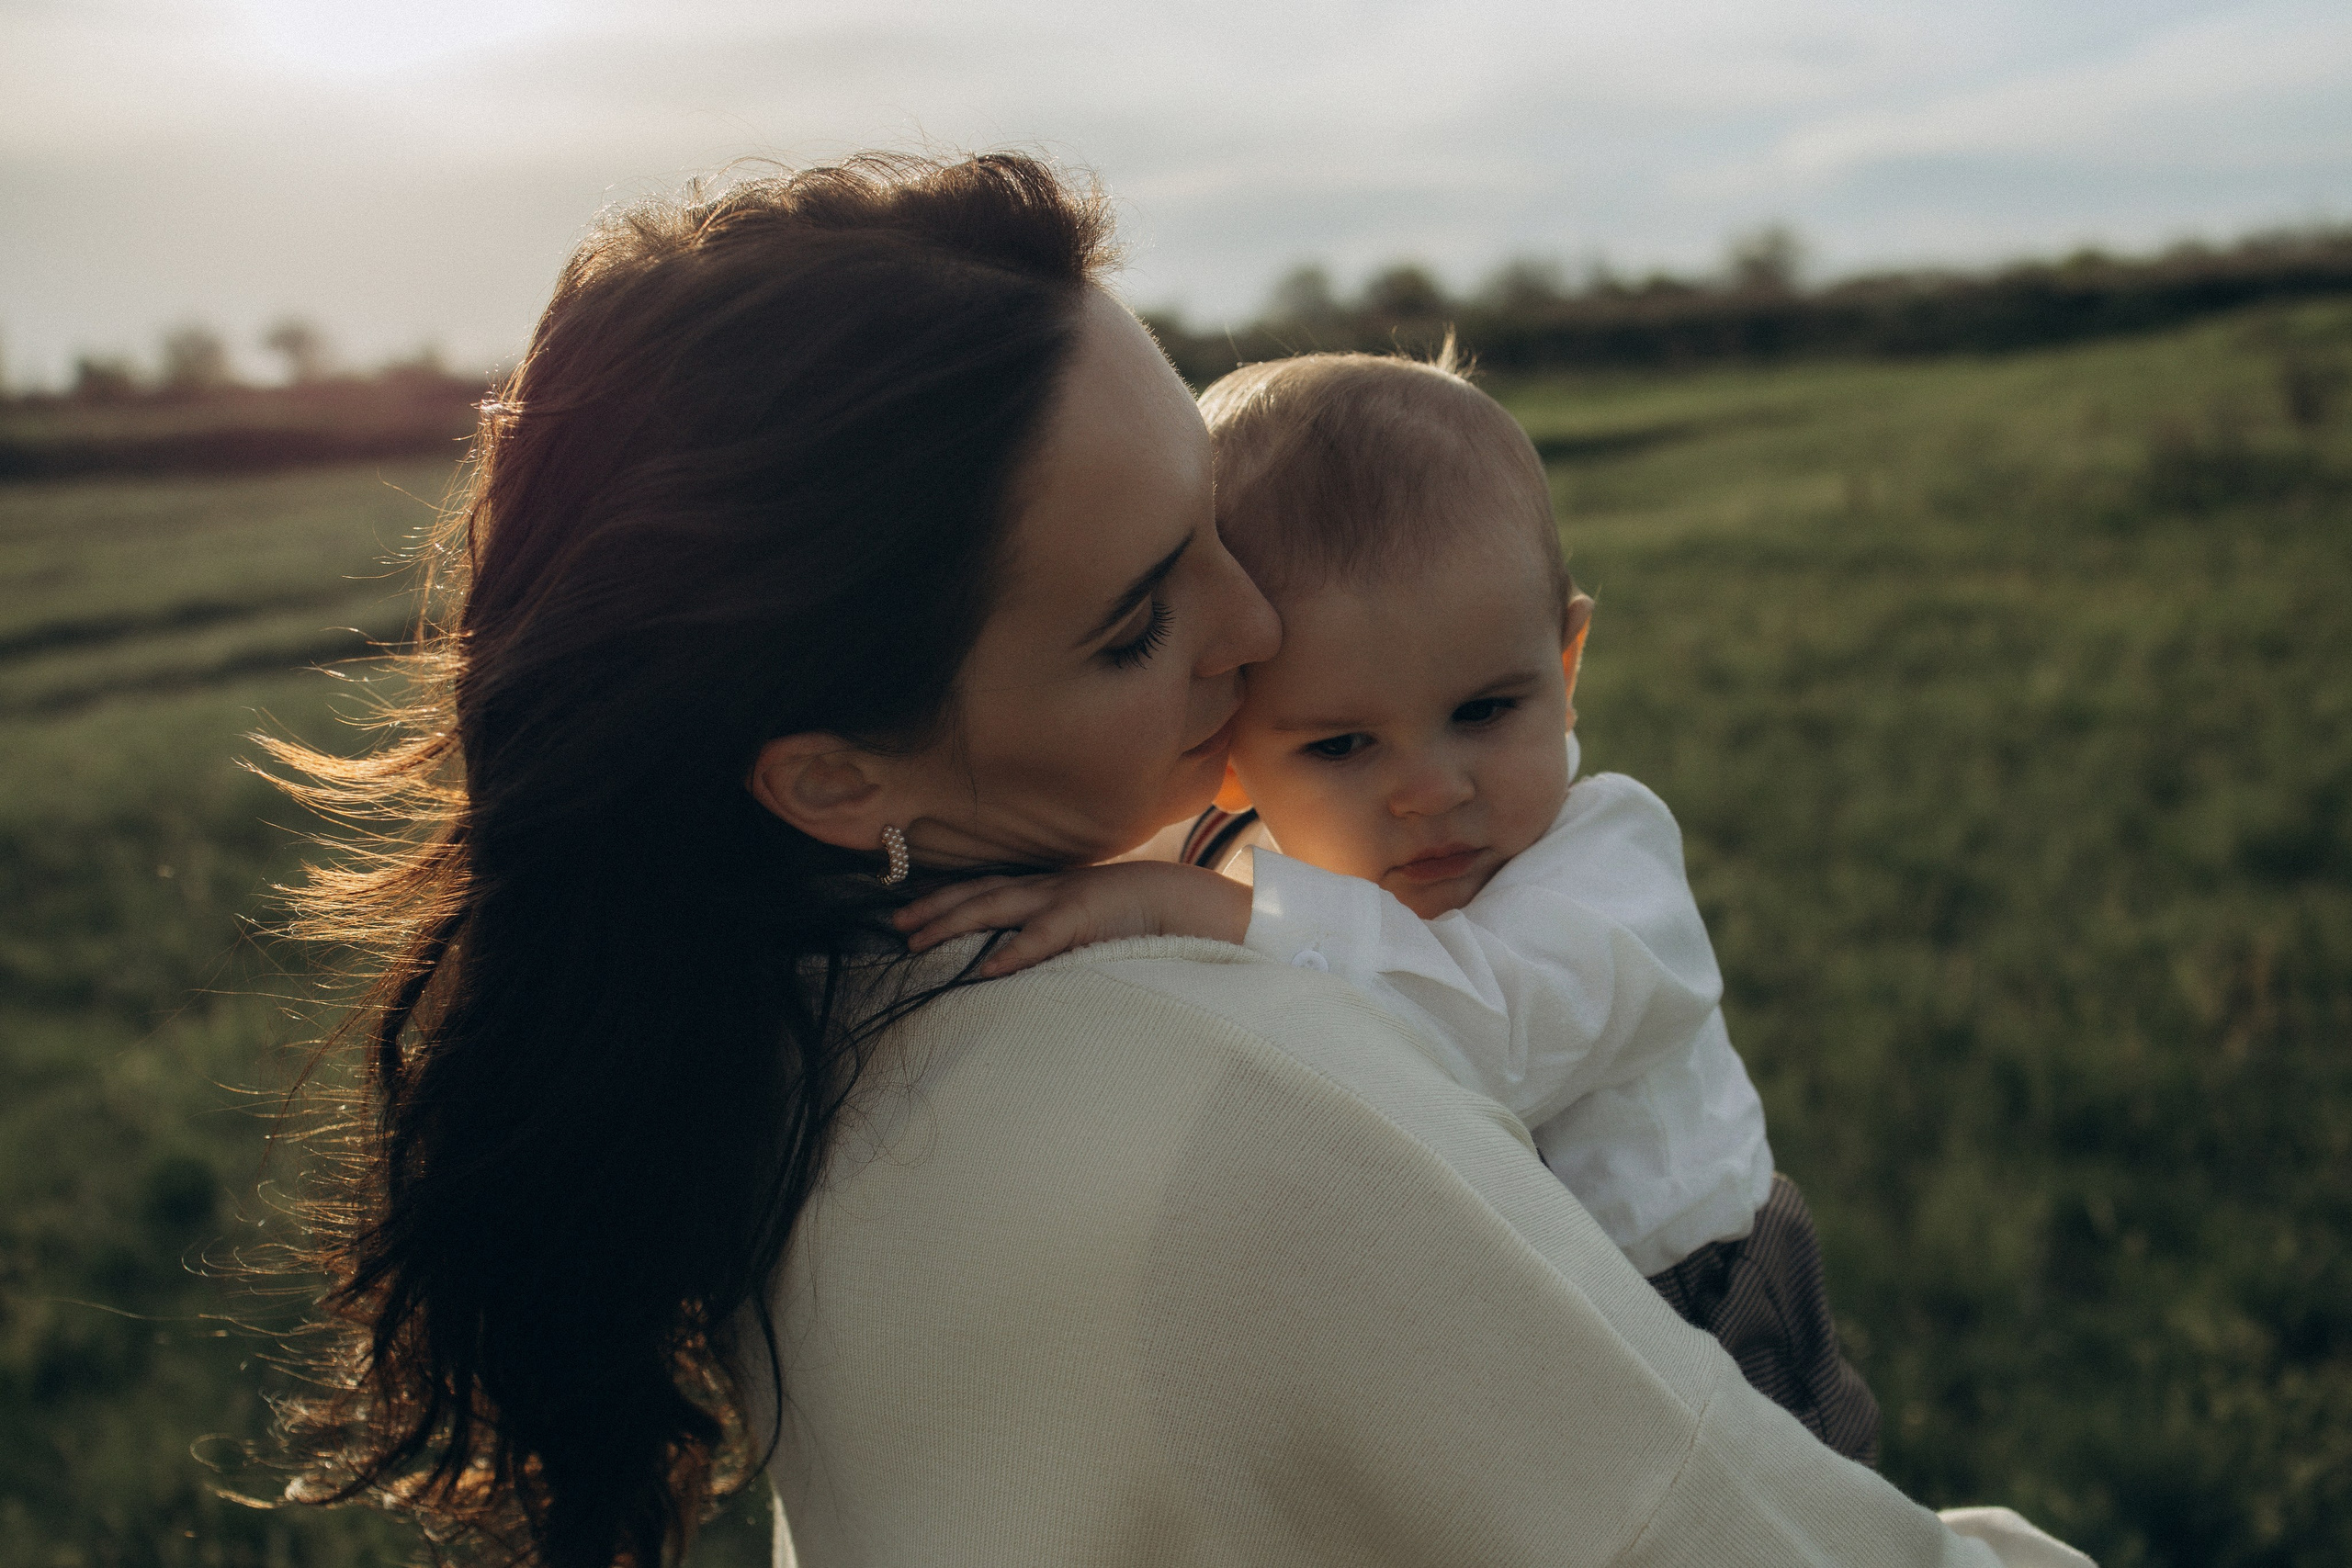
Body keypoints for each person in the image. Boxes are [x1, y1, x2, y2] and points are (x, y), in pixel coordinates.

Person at [266, 151, 2088, 1568]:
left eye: (1209, 531)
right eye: (1137, 620)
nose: (1255, 630)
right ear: (828, 772)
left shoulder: (781, 1039)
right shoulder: (1229, 1084)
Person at [894, 349, 1881, 1465]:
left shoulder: (1606, 859)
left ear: (1567, 661)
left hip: (1685, 1292)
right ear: (1229, 751)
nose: (1431, 789)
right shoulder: (1244, 848)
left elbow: (1481, 1033)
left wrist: (1192, 911)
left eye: (1483, 709)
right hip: (1487, 1310)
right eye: (1341, 743)